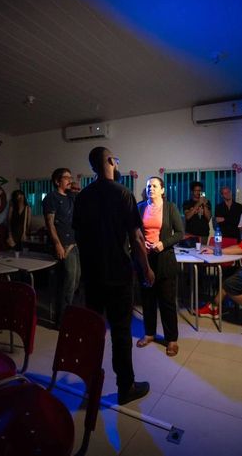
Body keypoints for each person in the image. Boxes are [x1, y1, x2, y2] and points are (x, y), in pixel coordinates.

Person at [73, 147, 155, 406]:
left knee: (94, 330)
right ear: (110, 161)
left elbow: (79, 236)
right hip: (118, 274)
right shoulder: (122, 193)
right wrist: (147, 268)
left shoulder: (83, 196)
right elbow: (137, 238)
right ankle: (125, 387)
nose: (117, 164)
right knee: (120, 332)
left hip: (92, 275)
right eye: (116, 160)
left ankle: (90, 385)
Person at [135, 176, 184, 356]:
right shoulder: (140, 207)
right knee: (148, 300)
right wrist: (140, 245)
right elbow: (134, 232)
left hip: (164, 259)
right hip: (145, 259)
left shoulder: (170, 207)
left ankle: (171, 339)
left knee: (167, 302)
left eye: (155, 186)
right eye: (149, 186)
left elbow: (180, 233)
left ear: (162, 190)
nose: (151, 189)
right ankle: (149, 334)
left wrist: (163, 243)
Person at [42, 168, 80, 327]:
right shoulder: (51, 198)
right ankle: (62, 319)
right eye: (66, 178)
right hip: (62, 244)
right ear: (57, 181)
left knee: (75, 280)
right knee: (68, 281)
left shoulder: (71, 197)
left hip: (74, 244)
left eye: (70, 177)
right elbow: (50, 223)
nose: (70, 180)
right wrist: (57, 244)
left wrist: (76, 188)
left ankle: (67, 312)